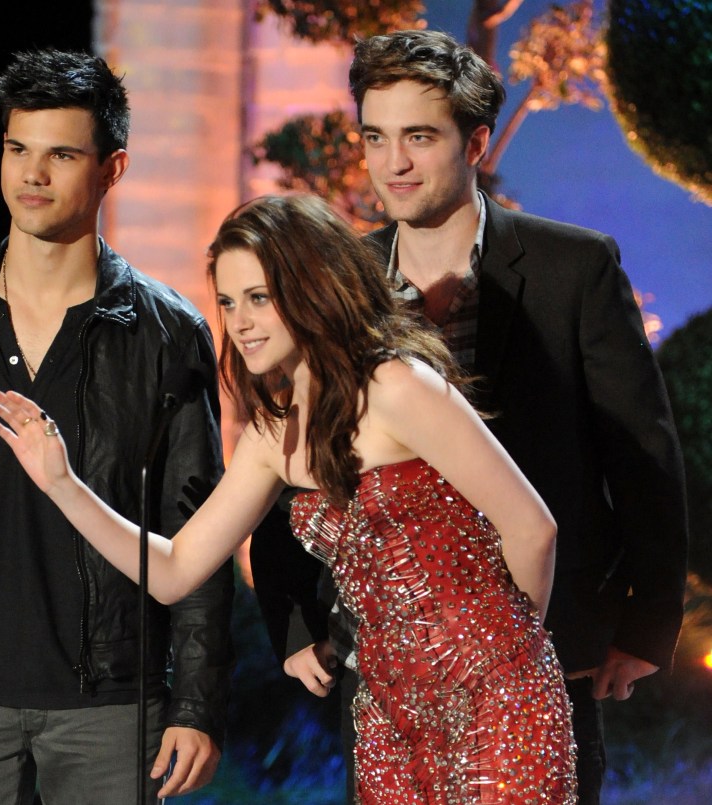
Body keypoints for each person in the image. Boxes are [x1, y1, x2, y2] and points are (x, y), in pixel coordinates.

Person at [0, 192, 579, 804]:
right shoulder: (273, 435)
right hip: (388, 717)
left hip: (494, 697)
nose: (239, 322)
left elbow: (533, 528)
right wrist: (63, 484)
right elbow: (172, 572)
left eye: (259, 298)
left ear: (312, 288)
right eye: (227, 302)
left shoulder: (398, 384)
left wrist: (505, 660)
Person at [248, 28, 690, 805]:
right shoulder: (336, 285)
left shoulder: (573, 268)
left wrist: (646, 624)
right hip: (387, 671)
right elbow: (292, 458)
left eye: (419, 137)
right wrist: (292, 619)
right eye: (376, 137)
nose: (394, 163)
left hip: (544, 658)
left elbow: (641, 453)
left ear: (476, 142)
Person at [0, 48, 235, 805]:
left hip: (113, 707)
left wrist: (196, 704)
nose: (32, 174)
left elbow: (197, 529)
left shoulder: (164, 332)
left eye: (61, 155)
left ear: (112, 169)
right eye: (17, 149)